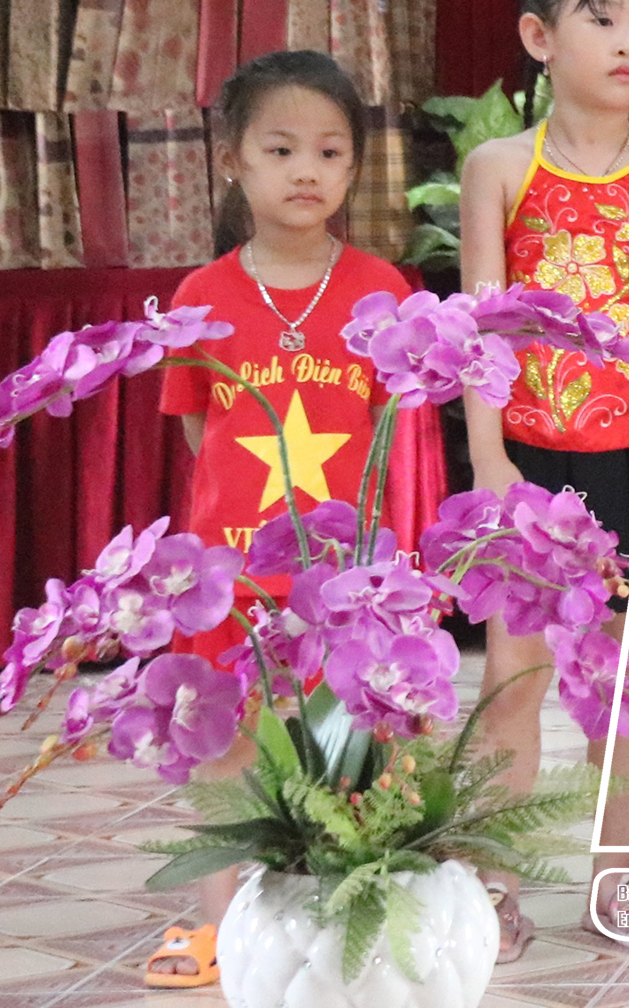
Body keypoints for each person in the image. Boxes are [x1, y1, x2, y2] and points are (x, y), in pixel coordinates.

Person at [457, 0, 629, 951]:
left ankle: (617, 877)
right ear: (539, 37)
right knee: (513, 681)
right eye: (603, 19)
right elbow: (480, 328)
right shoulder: (498, 168)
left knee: (624, 682)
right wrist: (489, 461)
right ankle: (493, 883)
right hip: (529, 460)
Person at [146, 53, 425, 990]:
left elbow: (393, 431)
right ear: (233, 161)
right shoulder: (201, 297)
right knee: (223, 741)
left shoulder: (381, 287)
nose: (307, 171)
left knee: (351, 741)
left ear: (353, 168)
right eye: (281, 149)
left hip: (345, 580)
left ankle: (344, 911)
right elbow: (199, 430)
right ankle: (218, 925)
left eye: (330, 152)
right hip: (227, 577)